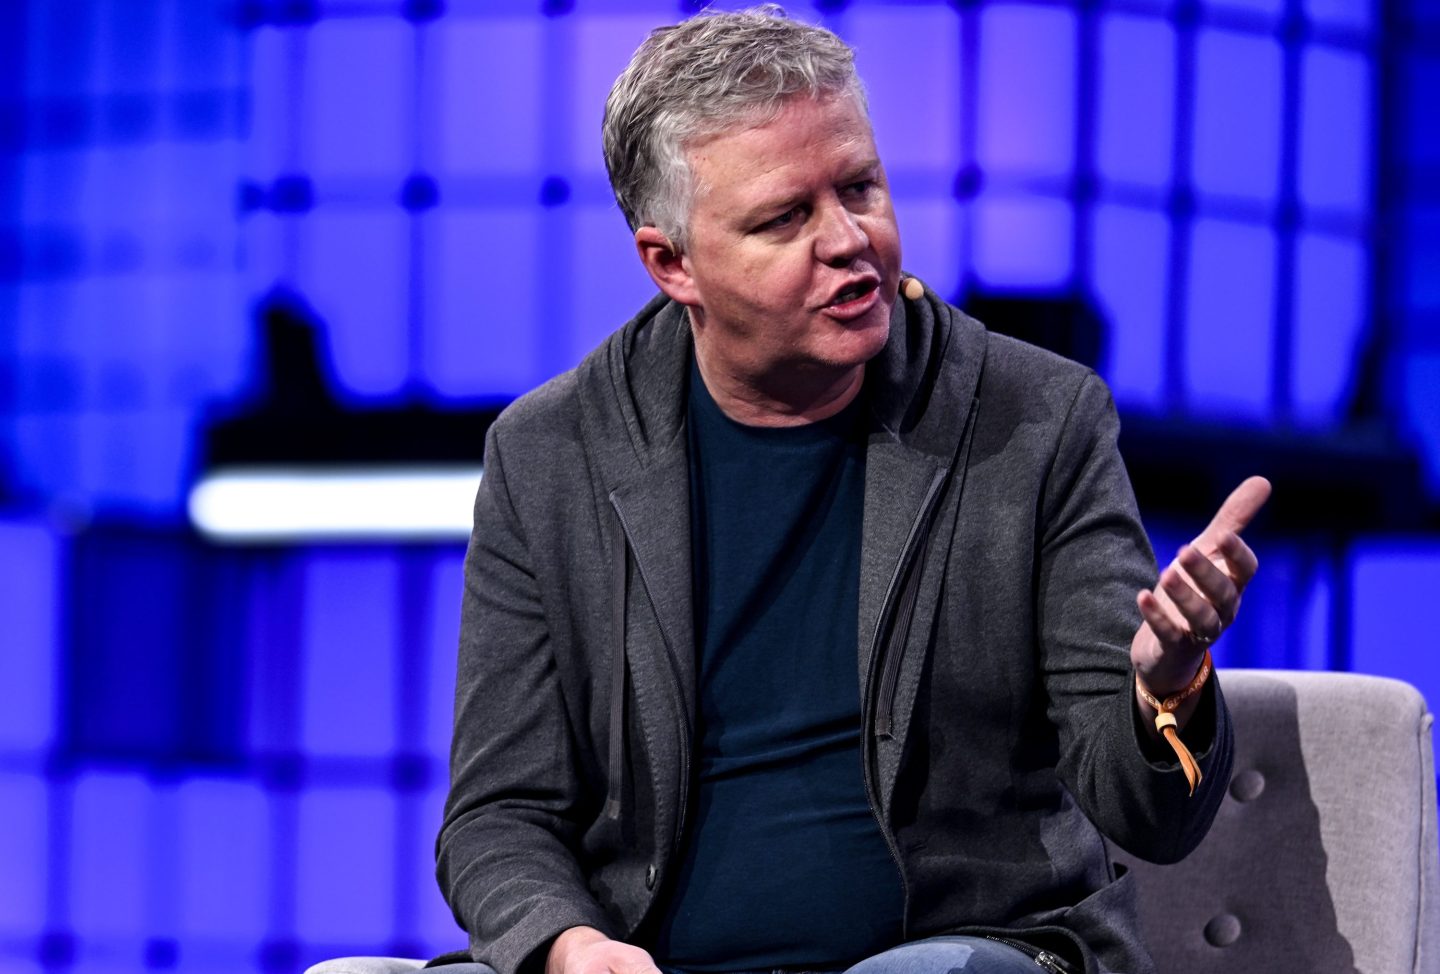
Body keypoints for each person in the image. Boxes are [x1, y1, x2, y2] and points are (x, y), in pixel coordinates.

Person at [436, 7, 1269, 974]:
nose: (848, 240)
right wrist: (570, 946)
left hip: (963, 949)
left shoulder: (1036, 422)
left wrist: (1167, 688)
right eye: (786, 217)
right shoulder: (552, 456)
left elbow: (1152, 816)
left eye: (861, 188)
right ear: (672, 263)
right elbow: (500, 811)